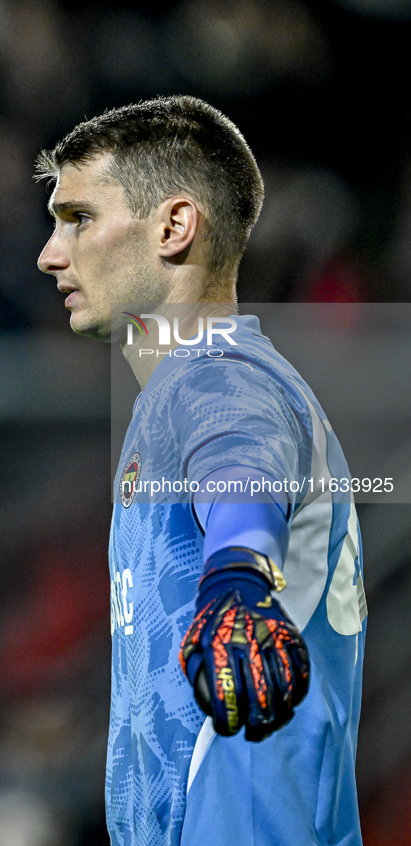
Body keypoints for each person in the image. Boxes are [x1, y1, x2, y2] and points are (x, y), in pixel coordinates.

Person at [35, 95, 367, 846]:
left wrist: (237, 578)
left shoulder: (216, 375)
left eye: (79, 218)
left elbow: (240, 473)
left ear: (173, 227)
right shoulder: (181, 391)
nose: (50, 253)